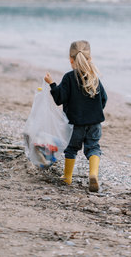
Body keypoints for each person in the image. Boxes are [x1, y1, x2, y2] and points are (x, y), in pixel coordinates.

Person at [44, 40, 107, 192]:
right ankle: (93, 174)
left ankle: (67, 177)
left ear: (70, 60)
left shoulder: (69, 78)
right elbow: (103, 99)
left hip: (75, 124)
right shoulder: (94, 78)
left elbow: (60, 99)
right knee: (93, 148)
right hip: (95, 123)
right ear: (89, 59)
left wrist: (52, 83)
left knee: (71, 149)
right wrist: (94, 113)